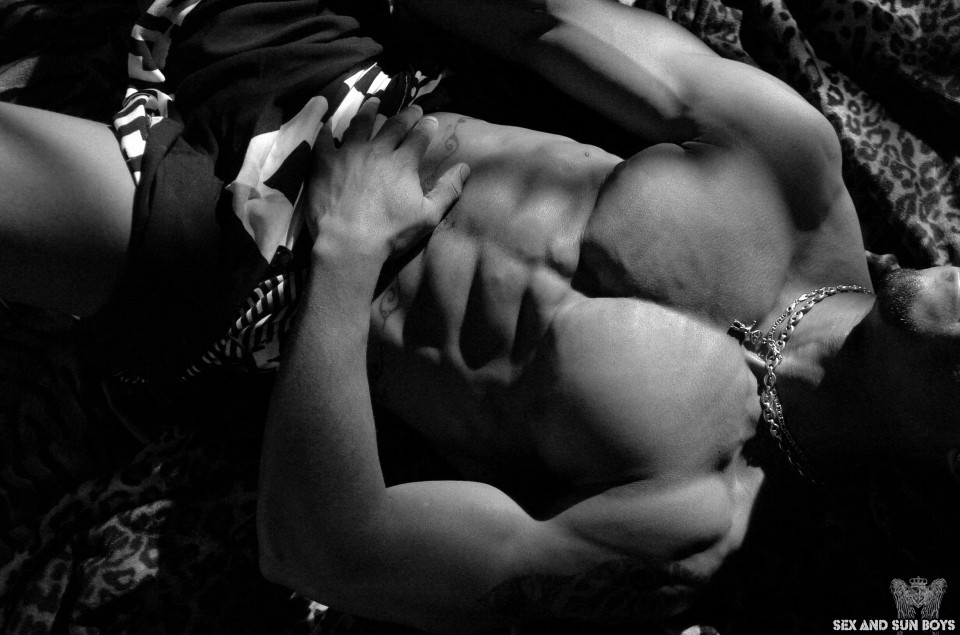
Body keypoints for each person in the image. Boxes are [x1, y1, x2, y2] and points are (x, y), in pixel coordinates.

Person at [1, 0, 958, 632]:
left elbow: (326, 544)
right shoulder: (795, 165)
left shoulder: (689, 521)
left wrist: (345, 252)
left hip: (258, 260)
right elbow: (537, 25)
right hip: (344, 74)